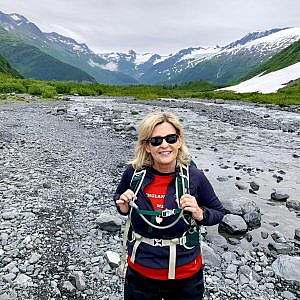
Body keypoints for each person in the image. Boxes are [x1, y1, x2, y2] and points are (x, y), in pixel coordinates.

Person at [114, 112, 224, 300]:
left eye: (170, 138)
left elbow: (218, 212)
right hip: (141, 275)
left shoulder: (195, 177)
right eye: (156, 141)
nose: (164, 145)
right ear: (147, 146)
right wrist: (123, 207)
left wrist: (199, 213)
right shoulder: (134, 173)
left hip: (186, 277)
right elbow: (120, 197)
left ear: (179, 142)